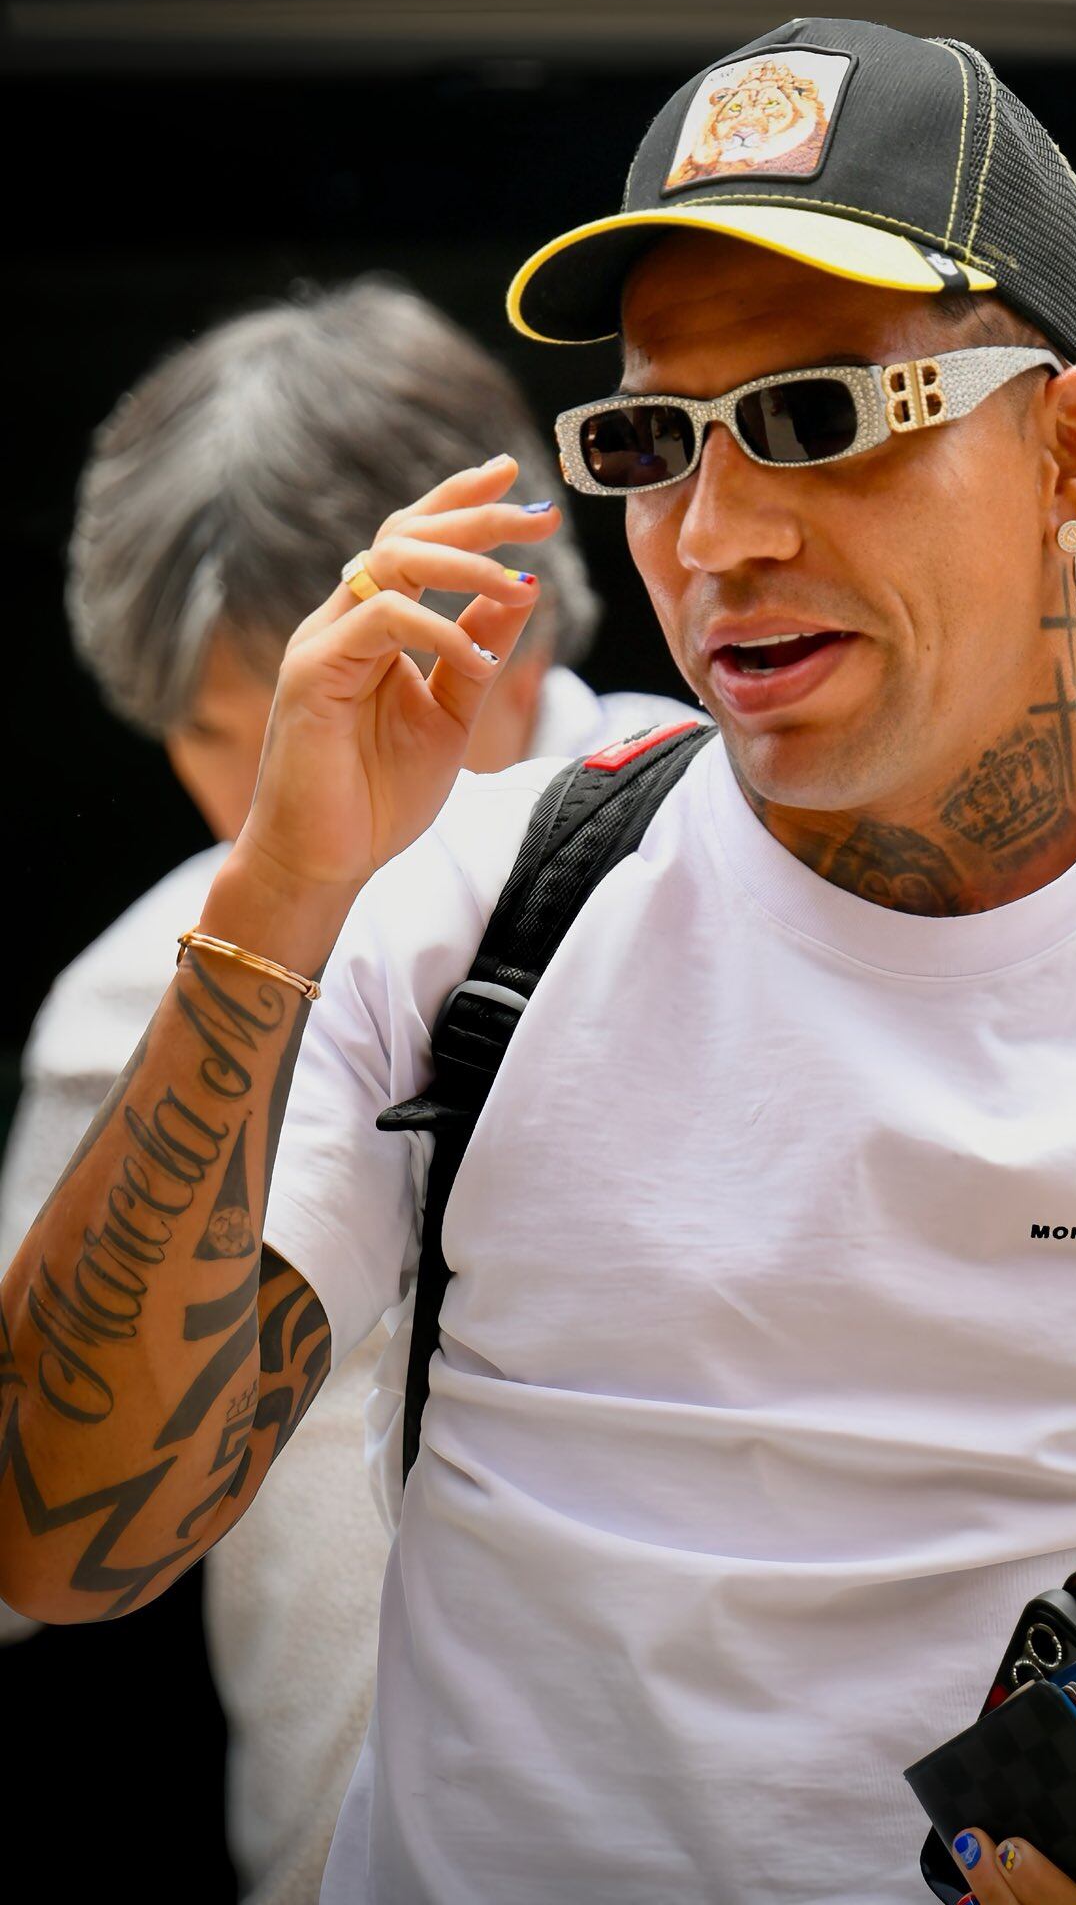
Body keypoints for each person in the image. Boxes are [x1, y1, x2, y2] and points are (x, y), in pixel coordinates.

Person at [0, 21, 1076, 1905]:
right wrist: (277, 888)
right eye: (652, 440)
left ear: (1075, 450)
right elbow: (64, 1536)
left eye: (820, 418)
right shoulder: (461, 913)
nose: (719, 533)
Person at [0, 275, 689, 1903]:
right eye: (213, 738)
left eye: (319, 700)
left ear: (494, 593)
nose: (276, 801)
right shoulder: (134, 994)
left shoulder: (743, 871)